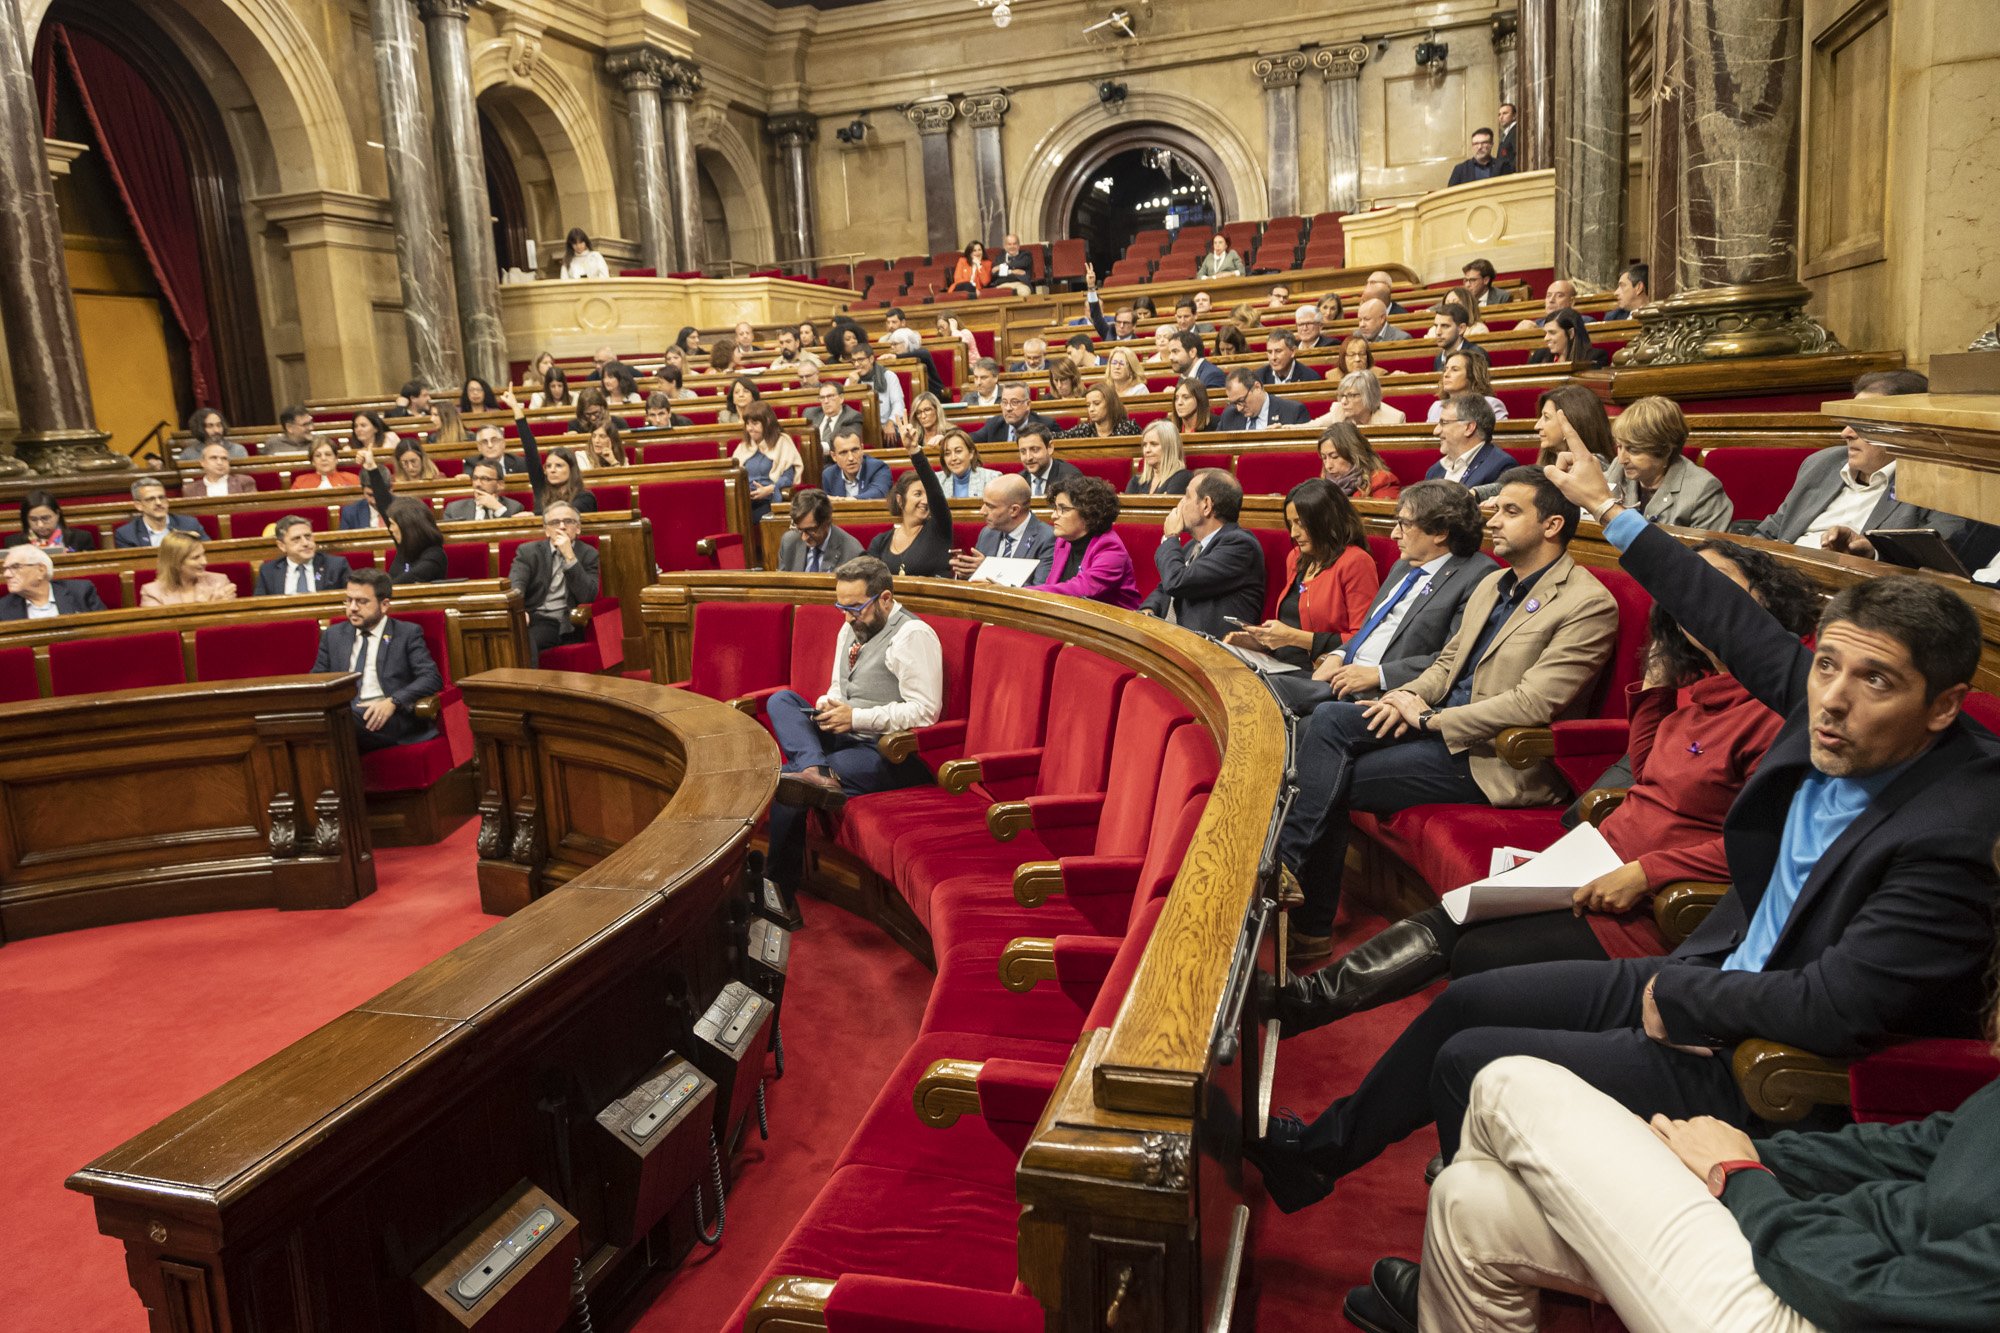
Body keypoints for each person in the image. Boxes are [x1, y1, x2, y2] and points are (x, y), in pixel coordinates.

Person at [1253, 443, 2000, 1223]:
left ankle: (1473, 1258)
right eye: (1827, 668)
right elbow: (1722, 613)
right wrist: (1610, 509)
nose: (1835, 700)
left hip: (1744, 1052)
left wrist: (1680, 992)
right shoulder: (1824, 703)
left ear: (1944, 705)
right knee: (1466, 1002)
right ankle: (1318, 1155)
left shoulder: (1954, 831)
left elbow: (1834, 1007)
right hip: (1708, 976)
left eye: (1874, 680)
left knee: (1471, 1058)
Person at [1274, 539, 1816, 1033]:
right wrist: (1655, 687)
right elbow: (1648, 773)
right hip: (1596, 855)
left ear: (1763, 602)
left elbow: (1767, 844)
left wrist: (1648, 871)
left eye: (1715, 586)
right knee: (1456, 907)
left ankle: (1315, 986)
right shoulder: (1700, 685)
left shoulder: (1776, 712)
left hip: (1642, 889)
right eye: (1687, 588)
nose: (1697, 601)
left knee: (1476, 951)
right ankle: (1307, 998)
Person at [1402, 1046, 2000, 1333]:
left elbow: (1873, 1298)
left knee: (1507, 1083)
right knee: (1468, 1202)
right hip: (1817, 1260)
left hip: (1833, 1309)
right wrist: (1713, 1154)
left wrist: (1740, 1179)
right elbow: (1915, 1146)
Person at [1273, 465, 1617, 959]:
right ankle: (1289, 880)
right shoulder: (1495, 583)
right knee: (1325, 722)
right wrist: (1402, 696)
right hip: (1432, 723)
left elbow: (1533, 702)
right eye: (1495, 509)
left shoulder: (1587, 602)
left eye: (1510, 511)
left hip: (1491, 756)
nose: (1493, 521)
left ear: (1552, 526)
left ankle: (1300, 909)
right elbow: (1448, 660)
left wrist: (1427, 718)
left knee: (1329, 777)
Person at [763, 556, 943, 920]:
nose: (846, 616)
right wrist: (828, 707)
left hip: (888, 753)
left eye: (855, 607)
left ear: (885, 599)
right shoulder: (850, 628)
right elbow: (837, 686)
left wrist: (855, 718)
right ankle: (817, 770)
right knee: (780, 700)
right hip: (844, 736)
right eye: (841, 607)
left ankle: (778, 895)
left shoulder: (913, 636)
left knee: (787, 783)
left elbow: (925, 712)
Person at [1305, 480, 1495, 708]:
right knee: (1265, 688)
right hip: (1341, 682)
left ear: (1440, 532)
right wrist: (1338, 654)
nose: (1395, 534)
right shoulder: (1403, 565)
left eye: (1404, 524)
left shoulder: (1478, 575)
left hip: (1389, 698)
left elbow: (1452, 659)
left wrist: (1379, 674)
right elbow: (1370, 631)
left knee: (1312, 716)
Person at [1756, 370, 1955, 548]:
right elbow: (1769, 532)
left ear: (1908, 429)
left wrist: (1872, 555)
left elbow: (1934, 563)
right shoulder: (1822, 463)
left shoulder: (1936, 485)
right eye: (1850, 420)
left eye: (1863, 422)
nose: (1846, 433)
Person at [1228, 478, 1379, 669]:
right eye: (1291, 523)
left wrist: (1290, 637)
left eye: (1300, 523)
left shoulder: (1356, 562)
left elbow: (1362, 640)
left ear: (1325, 520)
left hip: (1319, 672)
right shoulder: (1296, 558)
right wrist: (1261, 642)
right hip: (1279, 664)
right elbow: (1293, 626)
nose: (1293, 533)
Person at [312, 568, 443, 751]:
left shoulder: (407, 633)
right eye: (349, 600)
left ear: (384, 605)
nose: (353, 608)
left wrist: (393, 701)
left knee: (338, 721)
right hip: (347, 714)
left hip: (390, 718)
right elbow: (317, 678)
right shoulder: (334, 635)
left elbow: (431, 678)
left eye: (362, 601)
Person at [1140, 469, 1266, 634]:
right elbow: (1164, 587)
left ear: (1206, 505)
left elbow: (1178, 582)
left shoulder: (1240, 546)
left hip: (1211, 652)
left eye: (1187, 496)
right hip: (1177, 643)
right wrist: (1149, 609)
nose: (1180, 503)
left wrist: (1170, 537)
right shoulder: (1193, 546)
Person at [1599, 396, 1735, 531]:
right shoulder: (1617, 468)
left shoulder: (1703, 491)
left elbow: (1711, 551)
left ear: (1665, 450)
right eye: (1619, 446)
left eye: (1633, 450)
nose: (1622, 459)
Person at [507, 502, 600, 662]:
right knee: (517, 635)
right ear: (546, 530)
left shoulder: (588, 554)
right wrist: (519, 611)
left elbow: (588, 596)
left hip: (560, 622)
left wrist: (570, 557)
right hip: (531, 616)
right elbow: (516, 586)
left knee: (527, 639)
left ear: (578, 528)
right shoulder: (528, 552)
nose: (562, 527)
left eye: (568, 522)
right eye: (555, 522)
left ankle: (529, 685)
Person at [1030, 475, 1139, 608]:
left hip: (1113, 624)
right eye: (1055, 508)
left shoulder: (1111, 548)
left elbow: (1081, 590)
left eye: (1063, 509)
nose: (1053, 516)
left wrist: (1023, 593)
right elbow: (1052, 586)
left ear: (1088, 512)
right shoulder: (1064, 542)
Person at [948, 472, 1054, 585]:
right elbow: (976, 583)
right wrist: (966, 573)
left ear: (1014, 510)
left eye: (990, 506)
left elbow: (1040, 592)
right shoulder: (987, 533)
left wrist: (988, 570)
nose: (982, 512)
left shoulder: (1047, 538)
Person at [501, 392, 597, 516]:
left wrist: (534, 515)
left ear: (571, 469)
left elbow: (566, 514)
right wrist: (516, 409)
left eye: (558, 465)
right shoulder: (542, 488)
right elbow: (530, 450)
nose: (552, 470)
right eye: (549, 466)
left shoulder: (585, 497)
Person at [867, 441, 954, 577]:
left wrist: (914, 451)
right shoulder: (881, 542)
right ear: (900, 500)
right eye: (918, 494)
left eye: (927, 495)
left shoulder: (939, 527)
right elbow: (869, 580)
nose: (925, 501)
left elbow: (935, 493)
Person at [732, 402, 804, 523]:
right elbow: (734, 476)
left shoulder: (782, 442)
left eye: (755, 424)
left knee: (747, 518)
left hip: (770, 499)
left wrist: (769, 489)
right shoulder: (743, 447)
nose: (750, 428)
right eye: (748, 424)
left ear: (767, 423)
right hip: (745, 500)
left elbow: (787, 478)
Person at [1428, 394, 1513, 488]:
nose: (1436, 431)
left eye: (1444, 423)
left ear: (1469, 428)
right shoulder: (1435, 471)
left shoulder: (1500, 466)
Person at [0, 544, 106, 619]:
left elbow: (104, 629)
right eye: (5, 569)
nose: (7, 575)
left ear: (41, 570)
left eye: (15, 567)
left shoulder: (80, 592)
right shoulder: (3, 608)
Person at [140, 530, 238, 606]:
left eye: (203, 555)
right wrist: (209, 607)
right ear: (176, 562)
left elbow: (230, 626)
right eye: (196, 557)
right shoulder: (152, 593)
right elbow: (163, 630)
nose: (204, 562)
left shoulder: (219, 582)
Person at [779, 488, 865, 574]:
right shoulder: (789, 542)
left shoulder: (852, 553)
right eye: (800, 530)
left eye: (810, 530)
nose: (804, 538)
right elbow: (781, 584)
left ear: (826, 522)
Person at [1318, 422, 1402, 501]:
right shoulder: (1323, 484)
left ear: (1354, 455)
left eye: (1334, 457)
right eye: (1324, 458)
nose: (1328, 466)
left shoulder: (1382, 482)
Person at [114, 478, 208, 548]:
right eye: (151, 499)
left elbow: (208, 554)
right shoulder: (127, 534)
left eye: (162, 497)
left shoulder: (189, 525)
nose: (158, 503)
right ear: (139, 505)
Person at [1424, 350, 1509, 424]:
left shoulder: (1490, 405)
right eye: (1445, 369)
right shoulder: (1436, 407)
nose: (1446, 374)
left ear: (1472, 375)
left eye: (1455, 369)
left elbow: (1501, 441)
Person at [1216, 367, 1313, 432]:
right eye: (1234, 403)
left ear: (1257, 387)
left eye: (1241, 400)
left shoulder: (1293, 412)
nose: (1239, 408)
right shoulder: (1229, 416)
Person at [968, 382, 1055, 447]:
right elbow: (969, 439)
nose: (1008, 408)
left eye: (1014, 402)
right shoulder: (994, 424)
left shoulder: (1046, 425)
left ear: (1028, 405)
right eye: (1004, 402)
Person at [848, 343, 907, 439]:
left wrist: (891, 423)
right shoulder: (851, 380)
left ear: (871, 359)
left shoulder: (888, 376)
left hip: (885, 425)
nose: (856, 364)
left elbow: (898, 404)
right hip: (859, 429)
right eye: (853, 361)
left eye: (860, 360)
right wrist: (852, 387)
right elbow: (847, 411)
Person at [440, 458, 526, 523]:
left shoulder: (514, 508)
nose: (477, 484)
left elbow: (513, 535)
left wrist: (498, 509)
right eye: (475, 478)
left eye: (485, 479)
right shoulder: (454, 509)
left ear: (500, 484)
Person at [1318, 369, 1408, 429]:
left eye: (1351, 395)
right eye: (1342, 395)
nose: (1344, 401)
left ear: (1369, 396)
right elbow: (1308, 429)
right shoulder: (1339, 410)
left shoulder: (1394, 419)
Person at [820, 427, 894, 500]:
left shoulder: (878, 468)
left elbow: (878, 493)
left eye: (855, 450)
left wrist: (846, 501)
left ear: (862, 449)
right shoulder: (829, 475)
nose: (851, 458)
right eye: (843, 453)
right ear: (834, 456)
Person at [8, 492, 94, 553]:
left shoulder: (81, 538)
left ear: (57, 514)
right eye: (33, 519)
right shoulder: (14, 542)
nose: (40, 525)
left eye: (45, 518)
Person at [1014, 425, 1081, 501]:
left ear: (1049, 448)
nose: (1028, 457)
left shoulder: (1070, 477)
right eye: (1023, 452)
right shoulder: (1019, 481)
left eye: (1035, 449)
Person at [1130, 419, 1192, 496]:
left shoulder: (1182, 478)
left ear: (1169, 447)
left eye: (1154, 444)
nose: (1147, 450)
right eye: (1145, 445)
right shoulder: (1136, 481)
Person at [1058, 382, 1139, 440]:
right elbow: (1058, 436)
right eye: (1088, 405)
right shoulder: (1084, 430)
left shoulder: (1128, 428)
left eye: (1096, 403)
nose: (1091, 409)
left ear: (1110, 404)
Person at [1531, 307, 1603, 368]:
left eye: (1552, 332)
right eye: (1546, 333)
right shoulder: (1539, 355)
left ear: (1571, 333)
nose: (1546, 338)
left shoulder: (1595, 357)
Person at [805, 383, 866, 451]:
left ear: (841, 398)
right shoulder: (810, 414)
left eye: (830, 396)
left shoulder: (852, 417)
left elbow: (847, 443)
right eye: (822, 397)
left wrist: (816, 447)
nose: (826, 401)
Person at [184, 441, 257, 497]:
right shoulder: (190, 489)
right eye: (213, 458)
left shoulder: (244, 482)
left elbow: (253, 511)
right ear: (203, 463)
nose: (219, 462)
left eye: (224, 458)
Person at [938, 431, 999, 498]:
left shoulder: (992, 478)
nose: (953, 458)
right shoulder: (937, 481)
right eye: (947, 453)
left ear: (971, 453)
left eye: (958, 451)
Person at [1518, 277, 1594, 330]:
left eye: (1559, 295)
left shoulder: (1585, 323)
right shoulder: (1535, 325)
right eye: (1548, 296)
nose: (1551, 300)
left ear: (1572, 302)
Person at [180, 407, 245, 460]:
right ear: (199, 428)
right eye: (210, 426)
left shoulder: (238, 450)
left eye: (219, 425)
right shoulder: (188, 454)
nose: (216, 430)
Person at [291, 438, 358, 490]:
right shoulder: (301, 482)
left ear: (336, 459)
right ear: (313, 461)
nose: (323, 458)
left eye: (328, 454)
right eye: (318, 455)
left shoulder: (353, 479)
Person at [1428, 302, 1476, 369]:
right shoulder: (1438, 359)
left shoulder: (1475, 355)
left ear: (1461, 329)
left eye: (1445, 326)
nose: (1438, 332)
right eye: (1436, 326)